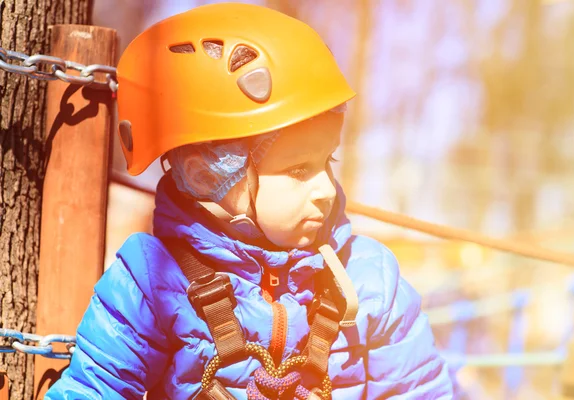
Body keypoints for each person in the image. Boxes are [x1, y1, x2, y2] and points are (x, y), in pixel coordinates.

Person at [46, 3, 454, 399]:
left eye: (328, 161)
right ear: (211, 174)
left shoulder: (369, 283)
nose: (327, 189)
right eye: (298, 170)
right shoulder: (152, 282)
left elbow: (418, 391)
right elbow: (95, 389)